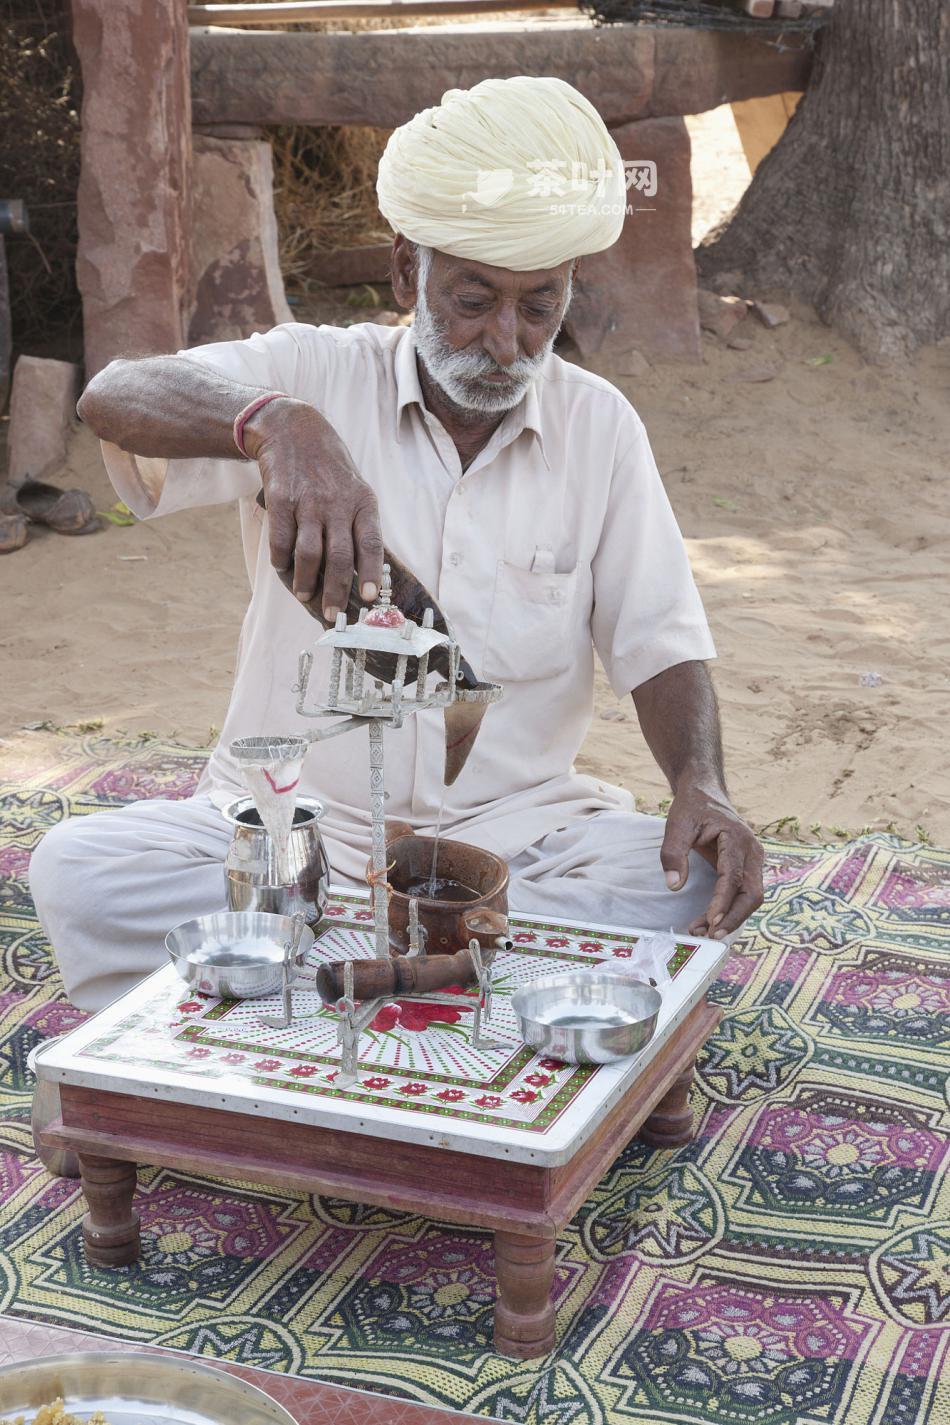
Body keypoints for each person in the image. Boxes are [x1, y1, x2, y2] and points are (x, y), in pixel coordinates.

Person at [30, 77, 763, 1012]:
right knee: (80, 872)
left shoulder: (601, 428)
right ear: (402, 270)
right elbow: (115, 395)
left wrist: (703, 781)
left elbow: (659, 637)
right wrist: (274, 424)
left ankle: (325, 979)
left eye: (538, 307)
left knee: (686, 880)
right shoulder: (309, 373)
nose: (505, 341)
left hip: (515, 838)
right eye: (472, 299)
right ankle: (442, 977)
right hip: (296, 836)